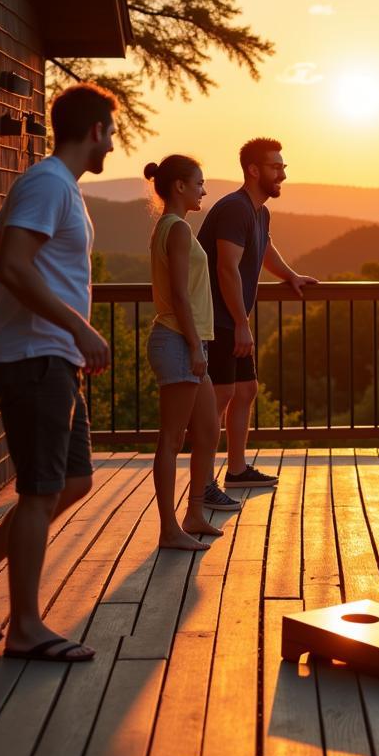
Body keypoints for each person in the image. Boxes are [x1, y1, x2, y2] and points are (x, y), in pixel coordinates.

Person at [0, 83, 118, 661]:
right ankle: (26, 628)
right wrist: (79, 327)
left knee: (71, 481)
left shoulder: (46, 184)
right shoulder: (48, 184)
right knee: (41, 490)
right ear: (94, 131)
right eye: (110, 132)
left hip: (48, 355)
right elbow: (10, 266)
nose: (112, 144)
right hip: (36, 356)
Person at [198, 137, 316, 495]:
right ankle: (203, 485)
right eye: (275, 167)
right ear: (253, 170)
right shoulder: (234, 208)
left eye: (283, 167)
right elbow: (226, 268)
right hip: (218, 319)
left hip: (231, 319)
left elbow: (264, 248)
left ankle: (236, 470)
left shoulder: (258, 211)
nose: (282, 173)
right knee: (218, 397)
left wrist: (290, 276)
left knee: (246, 390)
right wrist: (241, 324)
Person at [144, 154, 237, 548]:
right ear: (179, 186)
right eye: (199, 182)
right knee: (171, 437)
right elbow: (180, 295)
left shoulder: (172, 227)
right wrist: (195, 347)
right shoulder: (178, 230)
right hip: (178, 341)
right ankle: (169, 529)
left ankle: (195, 513)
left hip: (186, 342)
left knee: (206, 430)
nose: (204, 189)